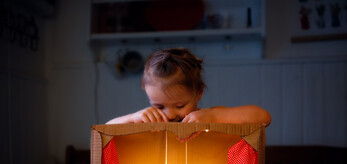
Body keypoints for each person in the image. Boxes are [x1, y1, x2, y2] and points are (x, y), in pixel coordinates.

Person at [106, 47, 271, 126]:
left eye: (179, 105)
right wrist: (133, 117)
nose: (169, 114)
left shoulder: (209, 117)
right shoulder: (147, 120)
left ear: (198, 93)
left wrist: (213, 116)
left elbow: (263, 117)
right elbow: (107, 129)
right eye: (159, 106)